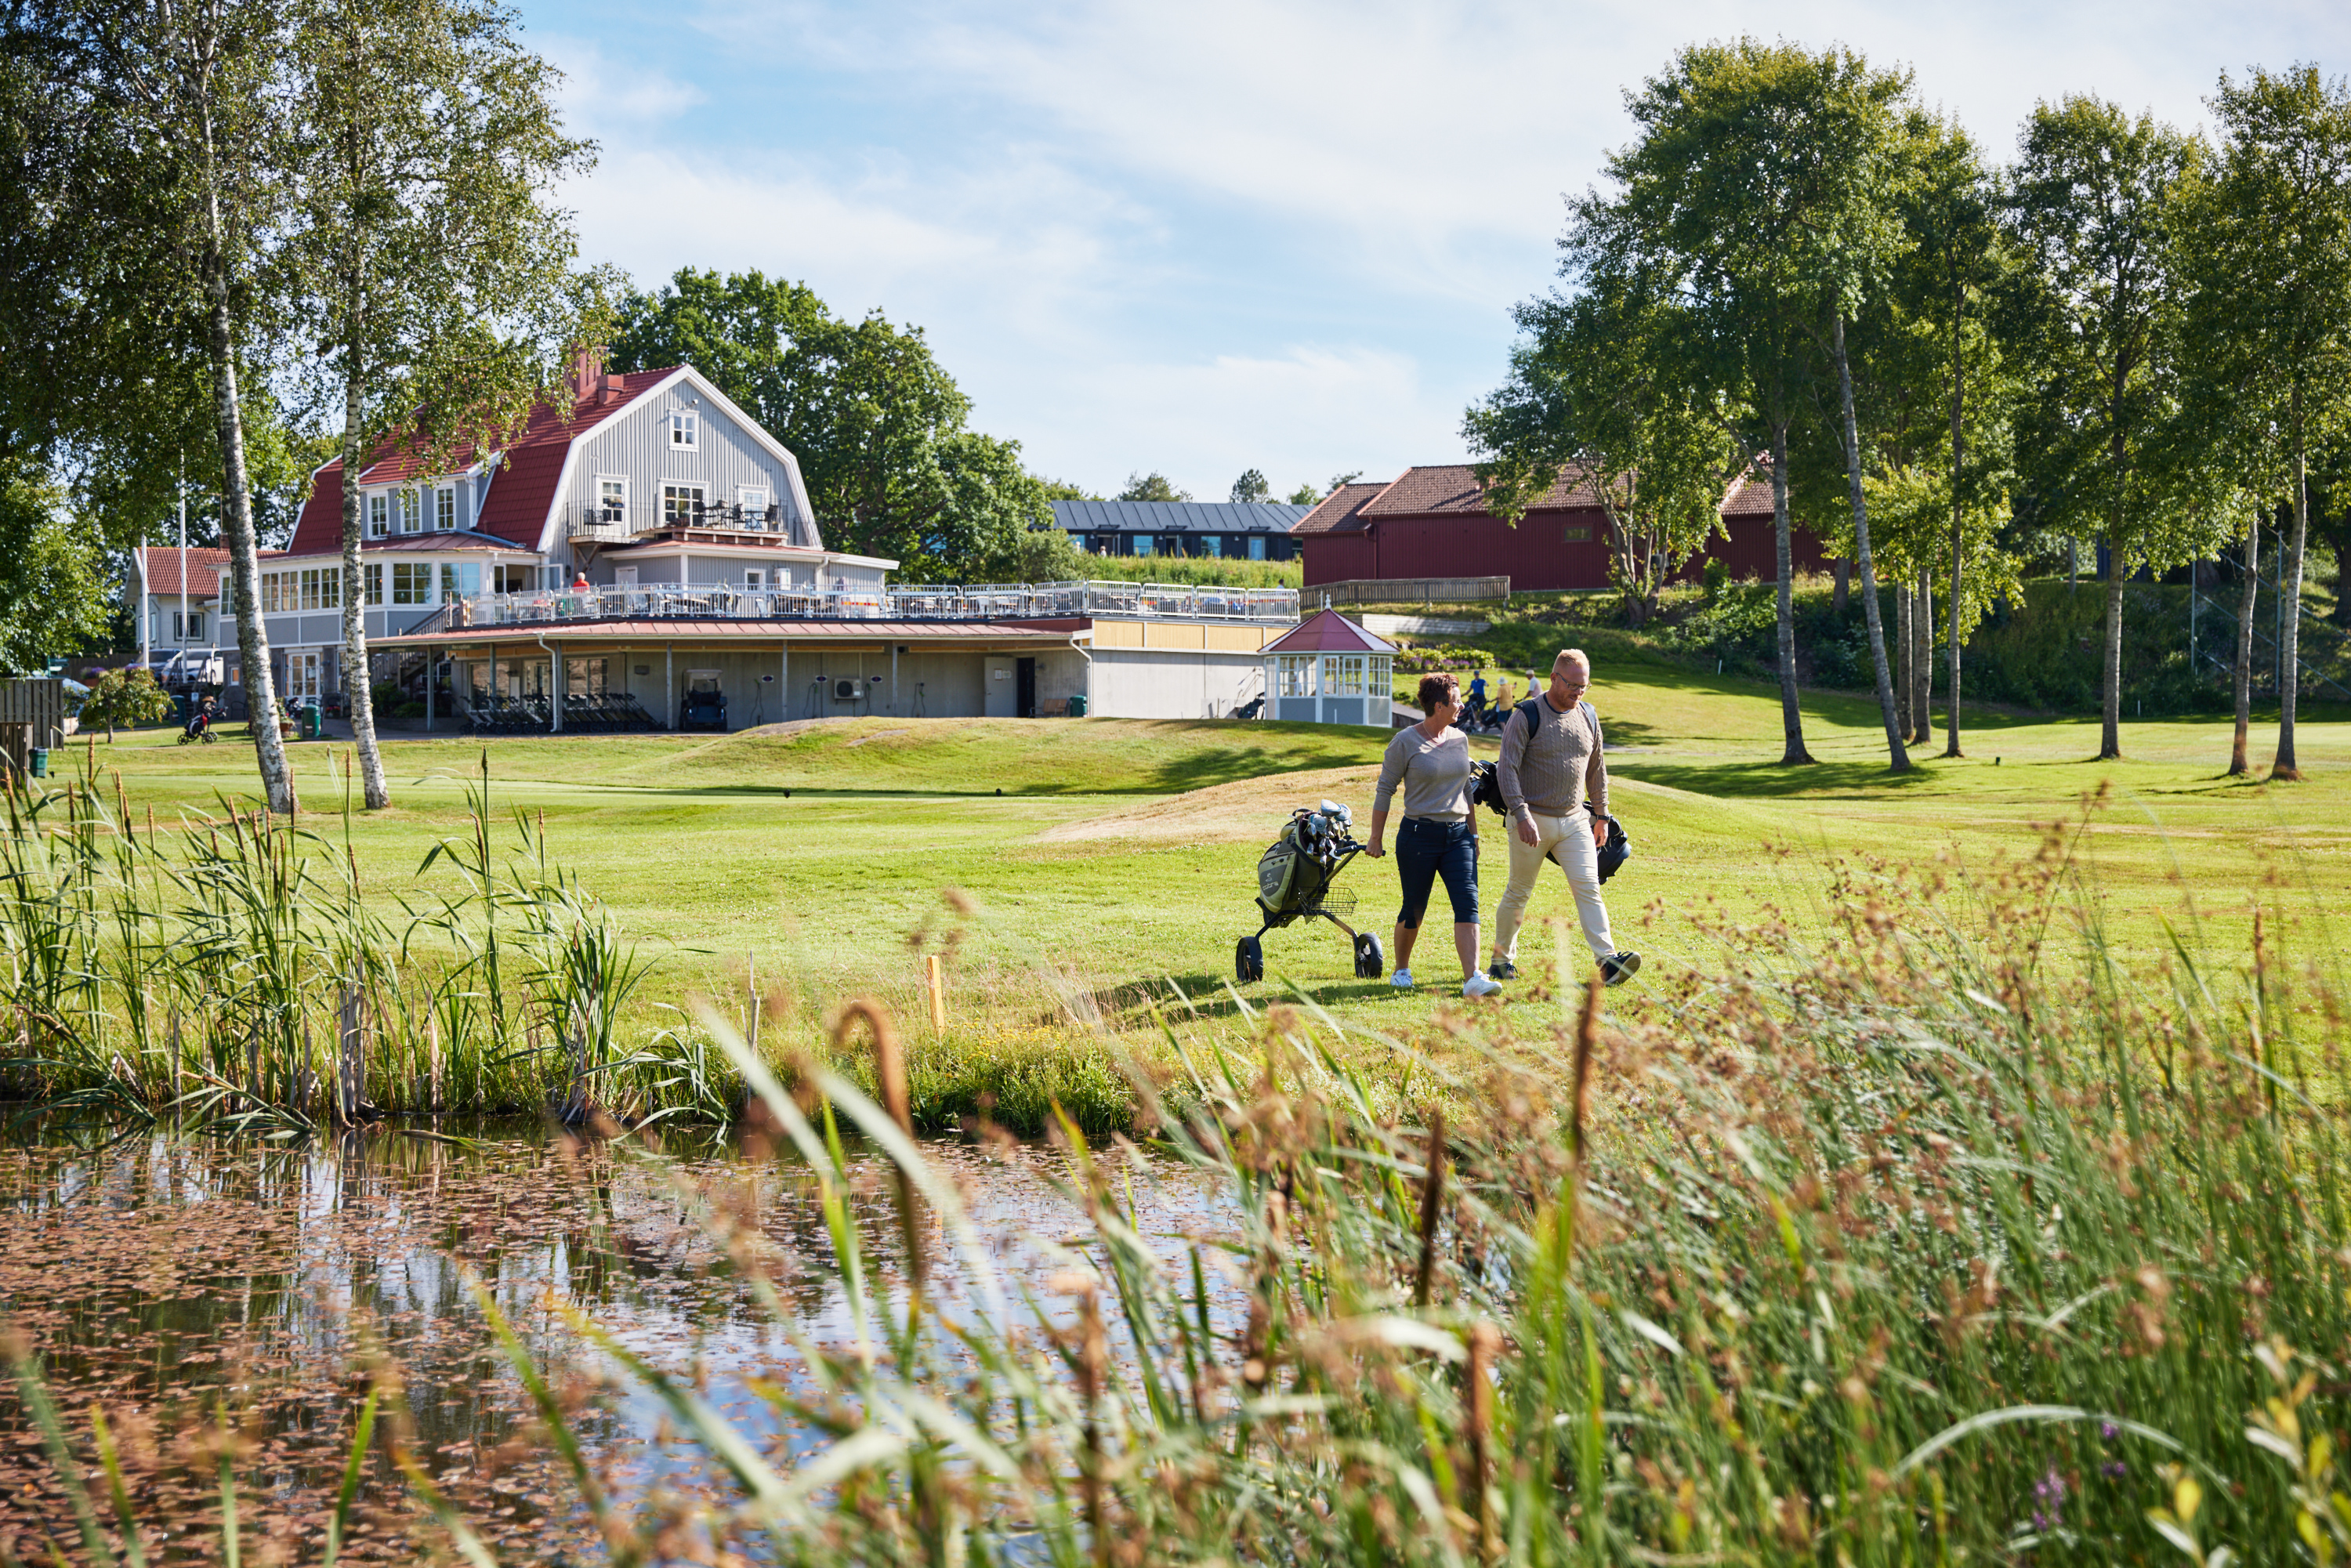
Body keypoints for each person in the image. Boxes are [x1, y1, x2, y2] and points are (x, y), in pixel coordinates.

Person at [1490, 648, 1641, 988]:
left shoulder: (1588, 714)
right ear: (1555, 678)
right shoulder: (1526, 715)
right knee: (1519, 891)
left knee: (1589, 888)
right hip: (1531, 820)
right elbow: (1507, 770)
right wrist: (1521, 814)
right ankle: (1501, 962)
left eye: (1584, 687)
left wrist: (1601, 815)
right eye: (1572, 685)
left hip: (1575, 820)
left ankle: (1607, 962)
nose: (1578, 692)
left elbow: (1597, 768)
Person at [1364, 675, 1502, 998]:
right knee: (1414, 908)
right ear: (1438, 706)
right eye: (1456, 700)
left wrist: (1475, 834)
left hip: (1458, 837)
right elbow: (1385, 789)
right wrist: (1375, 837)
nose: (1461, 705)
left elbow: (1466, 789)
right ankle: (1401, 969)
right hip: (1418, 836)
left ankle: (1473, 979)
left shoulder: (1460, 739)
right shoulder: (1405, 742)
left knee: (1468, 903)